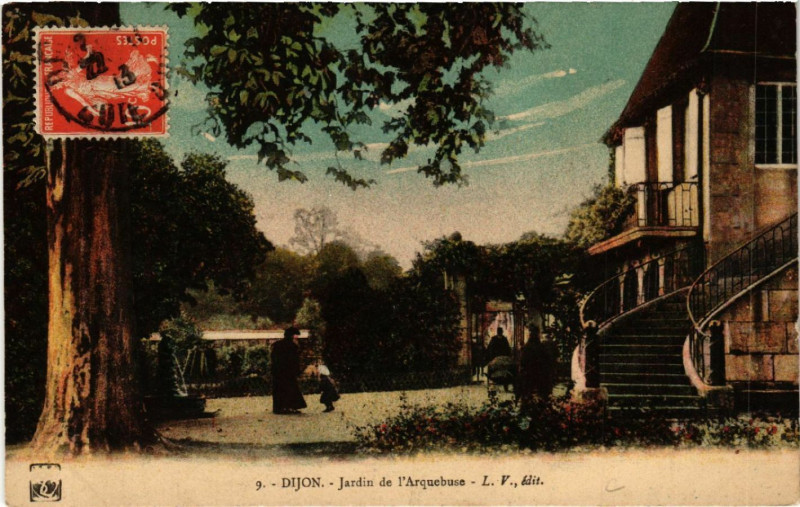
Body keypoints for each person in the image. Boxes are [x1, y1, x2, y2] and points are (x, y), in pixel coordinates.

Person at [271, 327, 307, 414]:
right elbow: (294, 360)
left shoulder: (277, 345)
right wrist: (297, 371)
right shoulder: (292, 346)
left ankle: (279, 408)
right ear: (291, 336)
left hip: (278, 371)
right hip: (288, 371)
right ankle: (290, 406)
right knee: (290, 388)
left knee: (279, 389)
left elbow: (273, 358)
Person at [516, 327, 557, 404]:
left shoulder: (527, 347)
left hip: (529, 375)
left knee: (528, 395)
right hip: (540, 376)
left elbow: (523, 361)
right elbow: (547, 361)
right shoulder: (542, 347)